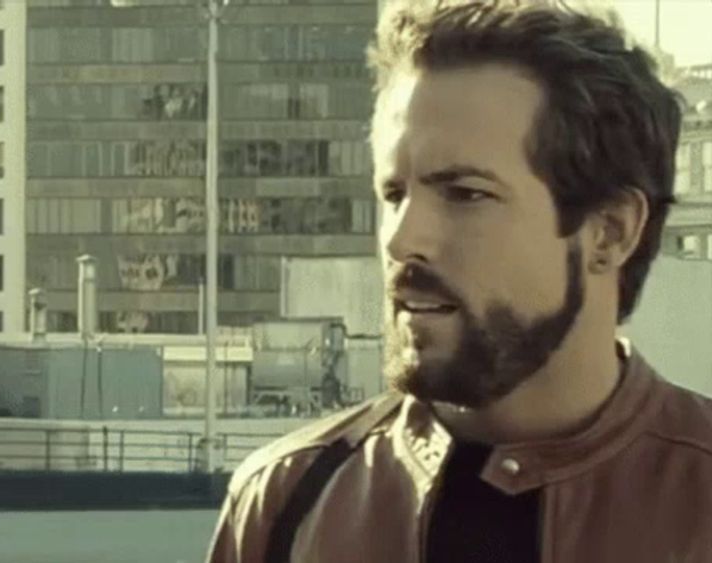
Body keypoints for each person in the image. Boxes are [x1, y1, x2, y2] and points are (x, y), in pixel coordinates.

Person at [206, 1, 712, 562]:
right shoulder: (288, 503)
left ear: (610, 232)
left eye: (466, 193)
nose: (403, 240)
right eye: (394, 195)